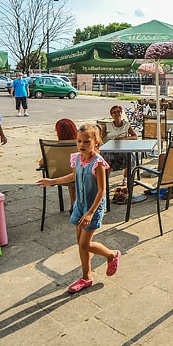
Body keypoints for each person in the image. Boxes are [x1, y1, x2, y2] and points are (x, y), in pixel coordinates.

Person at [37, 123, 120, 293]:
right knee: (81, 244)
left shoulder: (98, 163)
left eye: (86, 142)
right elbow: (73, 176)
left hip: (92, 209)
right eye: (79, 141)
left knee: (84, 244)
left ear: (96, 142)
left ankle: (111, 255)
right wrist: (52, 181)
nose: (82, 145)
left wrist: (91, 213)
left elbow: (102, 190)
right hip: (79, 206)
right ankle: (86, 276)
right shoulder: (77, 158)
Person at [38, 118, 79, 209]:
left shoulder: (55, 147)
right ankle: (77, 203)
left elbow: (41, 163)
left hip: (61, 176)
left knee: (69, 172)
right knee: (74, 172)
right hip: (81, 175)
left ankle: (73, 204)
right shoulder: (80, 144)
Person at [100, 105, 138, 204]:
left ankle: (126, 182)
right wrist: (104, 145)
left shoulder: (126, 124)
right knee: (107, 160)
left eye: (118, 111)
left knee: (130, 157)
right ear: (111, 115)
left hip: (123, 149)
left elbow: (135, 136)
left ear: (121, 113)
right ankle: (104, 184)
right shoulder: (107, 126)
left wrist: (125, 138)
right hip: (110, 150)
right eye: (114, 112)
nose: (117, 114)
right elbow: (99, 139)